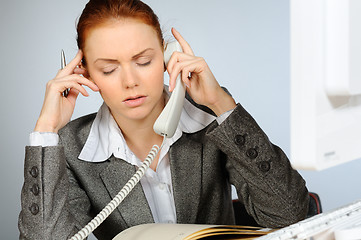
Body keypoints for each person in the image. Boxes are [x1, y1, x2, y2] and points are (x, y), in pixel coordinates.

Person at [18, 0, 309, 239]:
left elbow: (290, 214)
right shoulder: (70, 147)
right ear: (85, 74)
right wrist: (46, 131)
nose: (131, 81)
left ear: (168, 56)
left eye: (144, 62)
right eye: (108, 69)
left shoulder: (210, 118)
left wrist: (220, 103)